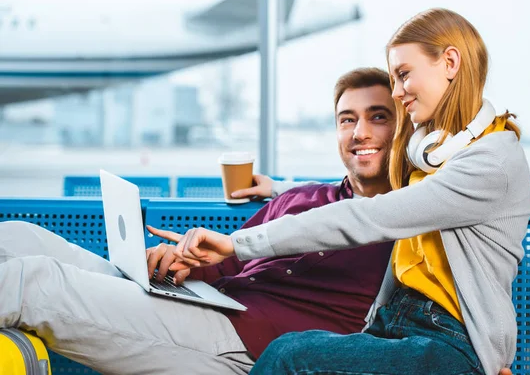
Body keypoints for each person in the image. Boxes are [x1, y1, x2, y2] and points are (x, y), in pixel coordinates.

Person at [163, 8, 530, 375]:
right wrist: (282, 189)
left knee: (292, 355)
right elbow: (367, 191)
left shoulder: (490, 162)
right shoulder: (439, 154)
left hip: (451, 344)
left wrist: (237, 243)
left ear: (450, 62)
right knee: (294, 349)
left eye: (404, 75)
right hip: (395, 324)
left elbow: (373, 213)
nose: (398, 92)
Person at [0, 67, 397, 374]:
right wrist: (178, 262)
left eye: (378, 117)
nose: (360, 132)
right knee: (20, 238)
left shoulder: (407, 220)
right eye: (347, 119)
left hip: (244, 345)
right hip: (204, 304)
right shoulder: (301, 197)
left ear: (405, 128)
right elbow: (226, 260)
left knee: (32, 281)